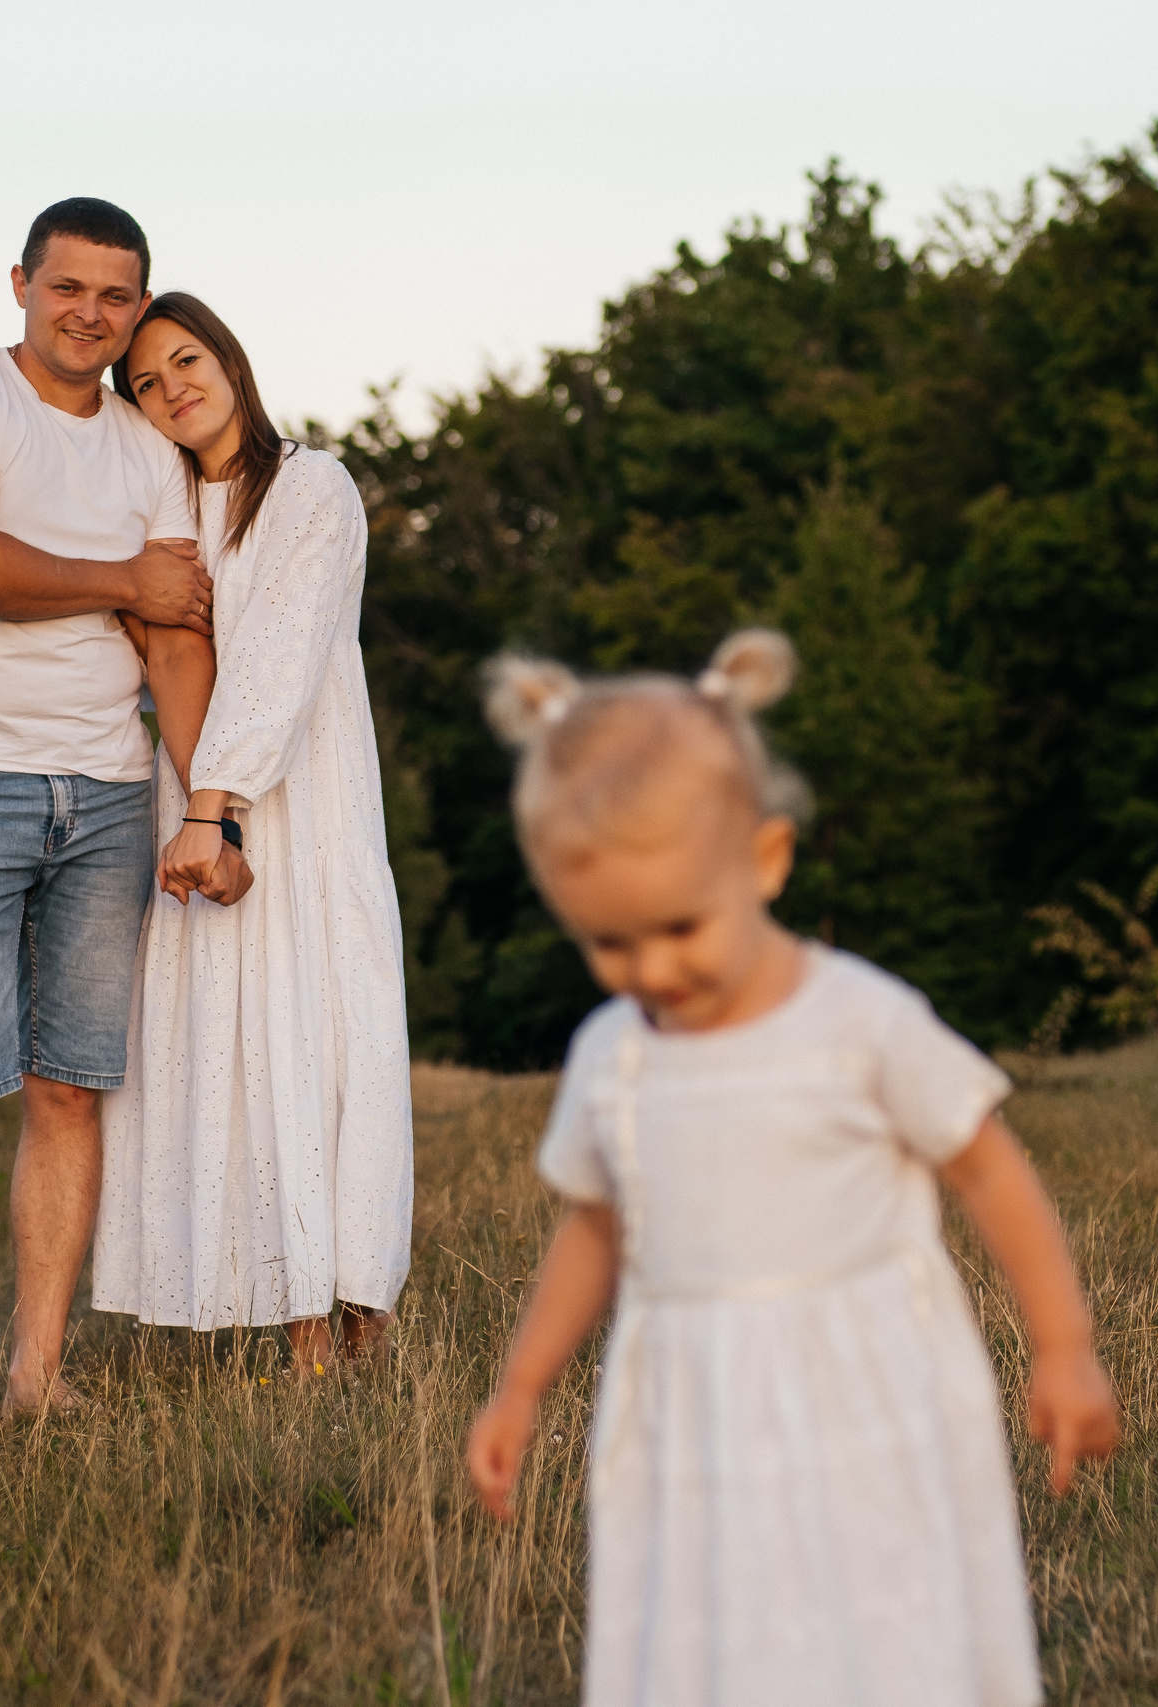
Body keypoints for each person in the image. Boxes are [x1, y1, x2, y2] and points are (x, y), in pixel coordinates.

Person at [462, 631, 1121, 1706]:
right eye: (611, 944)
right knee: (715, 1634)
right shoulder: (611, 1055)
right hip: (690, 1411)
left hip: (865, 1401)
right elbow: (595, 1226)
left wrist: (1063, 1345)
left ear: (764, 862)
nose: (654, 970)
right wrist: (520, 1388)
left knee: (876, 1631)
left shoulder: (858, 1020)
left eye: (680, 926)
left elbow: (988, 1169)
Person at [0, 197, 217, 1456]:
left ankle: (35, 1372)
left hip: (110, 795)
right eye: (67, 287)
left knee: (70, 1093)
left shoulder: (145, 449)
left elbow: (177, 634)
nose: (90, 314)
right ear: (20, 282)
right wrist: (125, 580)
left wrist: (214, 802)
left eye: (115, 297)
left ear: (138, 308)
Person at [87, 293, 415, 1372]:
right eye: (145, 381)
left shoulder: (310, 485)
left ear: (229, 360)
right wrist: (195, 805)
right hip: (192, 798)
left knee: (320, 1033)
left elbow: (280, 654)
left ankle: (348, 1306)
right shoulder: (164, 510)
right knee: (225, 1043)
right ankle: (279, 1309)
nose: (173, 386)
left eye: (187, 359)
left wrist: (216, 804)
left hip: (296, 799)